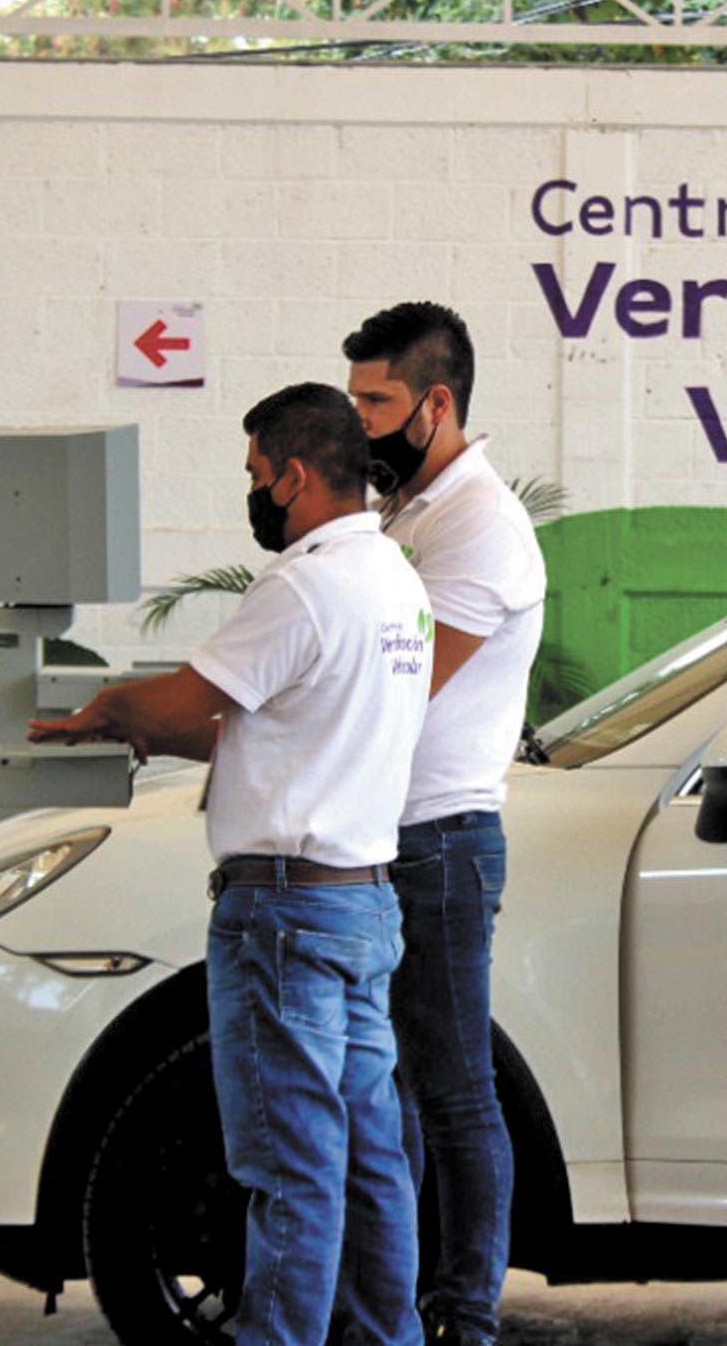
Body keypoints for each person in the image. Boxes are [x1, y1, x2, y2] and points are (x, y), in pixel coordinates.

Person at [30, 382, 431, 1346]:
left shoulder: (303, 586)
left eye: (256, 473)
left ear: (293, 476)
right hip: (363, 906)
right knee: (369, 1160)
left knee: (292, 1166)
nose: (253, 491)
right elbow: (288, 728)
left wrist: (104, 713)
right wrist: (156, 730)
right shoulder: (395, 581)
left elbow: (176, 704)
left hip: (286, 919)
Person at [343, 303, 547, 1346]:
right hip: (391, 841)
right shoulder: (407, 513)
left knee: (456, 1094)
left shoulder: (478, 525)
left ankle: (465, 1317)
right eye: (352, 401)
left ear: (436, 402)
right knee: (402, 1096)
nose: (358, 424)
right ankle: (404, 1308)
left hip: (440, 840)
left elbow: (399, 685)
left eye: (375, 402)